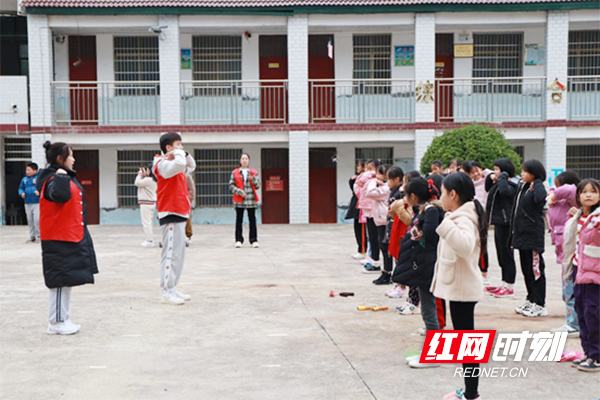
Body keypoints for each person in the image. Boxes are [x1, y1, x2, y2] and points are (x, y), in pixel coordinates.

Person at [432, 172, 486, 400]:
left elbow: (464, 246)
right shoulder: (460, 215)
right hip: (460, 288)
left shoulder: (463, 219)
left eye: (443, 193)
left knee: (467, 345)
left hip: (463, 290)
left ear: (453, 194)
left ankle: (471, 394)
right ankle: (470, 391)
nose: (440, 197)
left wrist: (445, 224)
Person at [37, 141, 98, 335]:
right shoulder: (53, 178)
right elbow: (60, 196)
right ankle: (55, 322)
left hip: (68, 235)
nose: (73, 159)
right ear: (60, 158)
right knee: (59, 282)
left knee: (66, 280)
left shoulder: (60, 176)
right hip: (57, 237)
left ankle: (64, 318)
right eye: (70, 155)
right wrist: (62, 177)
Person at [393, 177, 444, 367]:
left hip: (426, 266)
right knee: (427, 309)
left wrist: (417, 234)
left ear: (413, 196)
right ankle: (429, 352)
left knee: (429, 311)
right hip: (423, 265)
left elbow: (430, 236)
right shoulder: (424, 210)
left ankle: (433, 355)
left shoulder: (431, 211)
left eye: (407, 195)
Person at [152, 132, 196, 305]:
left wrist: (181, 153)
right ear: (168, 147)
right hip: (170, 212)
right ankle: (166, 291)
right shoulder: (160, 163)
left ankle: (173, 287)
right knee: (170, 254)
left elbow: (191, 165)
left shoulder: (176, 162)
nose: (182, 148)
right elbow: (180, 163)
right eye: (178, 145)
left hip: (180, 211)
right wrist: (176, 154)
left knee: (178, 254)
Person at [562, 179, 600, 372]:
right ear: (578, 196)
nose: (588, 195)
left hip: (596, 273)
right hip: (579, 270)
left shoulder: (597, 219)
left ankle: (597, 356)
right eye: (584, 192)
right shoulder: (576, 218)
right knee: (582, 312)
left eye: (593, 191)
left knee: (594, 313)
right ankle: (588, 353)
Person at [510, 159, 548, 318]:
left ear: (534, 173)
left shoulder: (538, 187)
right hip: (522, 235)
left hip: (533, 236)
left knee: (536, 270)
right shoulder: (524, 187)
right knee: (526, 270)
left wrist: (537, 183)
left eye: (525, 171)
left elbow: (540, 198)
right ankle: (531, 299)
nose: (522, 174)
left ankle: (540, 304)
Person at [547, 171, 581, 336]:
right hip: (566, 251)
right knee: (568, 288)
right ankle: (573, 322)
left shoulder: (571, 194)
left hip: (574, 253)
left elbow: (569, 189)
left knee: (571, 289)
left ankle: (573, 323)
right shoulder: (567, 201)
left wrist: (553, 196)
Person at [484, 158, 518, 298]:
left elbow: (504, 192)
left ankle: (509, 287)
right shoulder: (500, 183)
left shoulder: (512, 184)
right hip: (499, 222)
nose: (495, 172)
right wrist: (489, 177)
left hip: (507, 223)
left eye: (497, 169)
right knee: (501, 254)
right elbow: (488, 188)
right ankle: (504, 284)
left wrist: (502, 176)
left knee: (507, 254)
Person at [462, 161, 492, 285]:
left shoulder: (485, 180)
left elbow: (492, 174)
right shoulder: (468, 183)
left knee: (481, 243)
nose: (476, 174)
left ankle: (484, 273)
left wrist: (483, 171)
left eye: (477, 170)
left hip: (482, 215)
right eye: (472, 172)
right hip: (470, 215)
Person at [364, 164, 391, 279]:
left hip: (384, 220)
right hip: (380, 219)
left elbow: (369, 193)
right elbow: (364, 190)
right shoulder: (382, 186)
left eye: (379, 173)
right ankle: (386, 271)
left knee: (385, 247)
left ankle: (387, 272)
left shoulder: (385, 189)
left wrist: (372, 182)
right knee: (382, 245)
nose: (376, 176)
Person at [229, 153, 261, 248]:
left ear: (249, 161)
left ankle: (253, 240)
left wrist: (253, 179)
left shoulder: (253, 172)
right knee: (239, 220)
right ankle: (238, 240)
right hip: (239, 199)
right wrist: (239, 192)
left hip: (251, 199)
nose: (244, 160)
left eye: (246, 159)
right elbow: (231, 185)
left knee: (252, 220)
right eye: (243, 159)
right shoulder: (235, 172)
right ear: (240, 160)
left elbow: (258, 186)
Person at [354, 160, 380, 269]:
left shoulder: (375, 180)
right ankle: (371, 257)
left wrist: (370, 173)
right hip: (367, 207)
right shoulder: (368, 180)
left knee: (374, 236)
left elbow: (360, 180)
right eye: (366, 168)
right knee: (370, 235)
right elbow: (358, 183)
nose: (367, 171)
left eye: (370, 168)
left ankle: (375, 260)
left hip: (373, 208)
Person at [347, 160, 367, 260]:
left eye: (359, 166)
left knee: (362, 230)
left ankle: (363, 250)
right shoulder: (359, 178)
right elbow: (354, 191)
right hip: (357, 207)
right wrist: (352, 180)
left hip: (362, 208)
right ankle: (360, 249)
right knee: (357, 230)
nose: (357, 168)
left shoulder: (366, 179)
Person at [135, 163, 157, 248]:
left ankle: (149, 240)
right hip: (150, 203)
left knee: (146, 223)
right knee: (148, 222)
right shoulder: (153, 180)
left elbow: (137, 182)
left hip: (146, 203)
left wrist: (140, 174)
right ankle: (149, 239)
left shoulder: (149, 180)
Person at [19, 162, 40, 243]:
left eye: (29, 170)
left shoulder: (39, 179)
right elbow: (21, 188)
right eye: (26, 170)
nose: (27, 172)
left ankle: (39, 236)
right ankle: (32, 236)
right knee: (30, 220)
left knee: (37, 219)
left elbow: (43, 188)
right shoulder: (24, 180)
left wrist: (39, 192)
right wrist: (21, 193)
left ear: (35, 170)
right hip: (27, 202)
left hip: (37, 202)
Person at [185, 171, 196, 247]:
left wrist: (189, 199)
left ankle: (188, 235)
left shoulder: (187, 176)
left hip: (185, 200)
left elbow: (192, 189)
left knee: (187, 218)